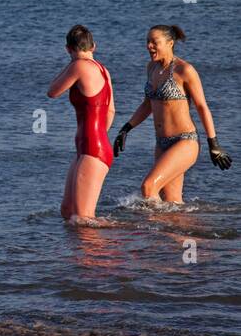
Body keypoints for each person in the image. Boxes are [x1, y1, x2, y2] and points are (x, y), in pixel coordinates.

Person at [113, 25, 230, 203]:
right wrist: (126, 129)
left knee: (148, 186)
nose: (149, 46)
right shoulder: (151, 68)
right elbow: (147, 104)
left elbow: (202, 107)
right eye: (147, 42)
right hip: (162, 144)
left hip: (185, 141)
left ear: (170, 43)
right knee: (172, 203)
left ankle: (149, 228)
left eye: (154, 42)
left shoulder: (184, 70)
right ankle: (178, 231)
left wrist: (213, 144)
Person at [46, 24, 114, 221]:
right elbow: (111, 110)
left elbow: (52, 91)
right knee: (68, 212)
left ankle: (125, 246)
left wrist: (95, 141)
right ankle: (78, 252)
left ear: (68, 49)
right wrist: (100, 136)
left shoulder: (78, 66)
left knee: (83, 219)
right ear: (94, 46)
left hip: (92, 147)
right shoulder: (103, 70)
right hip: (92, 145)